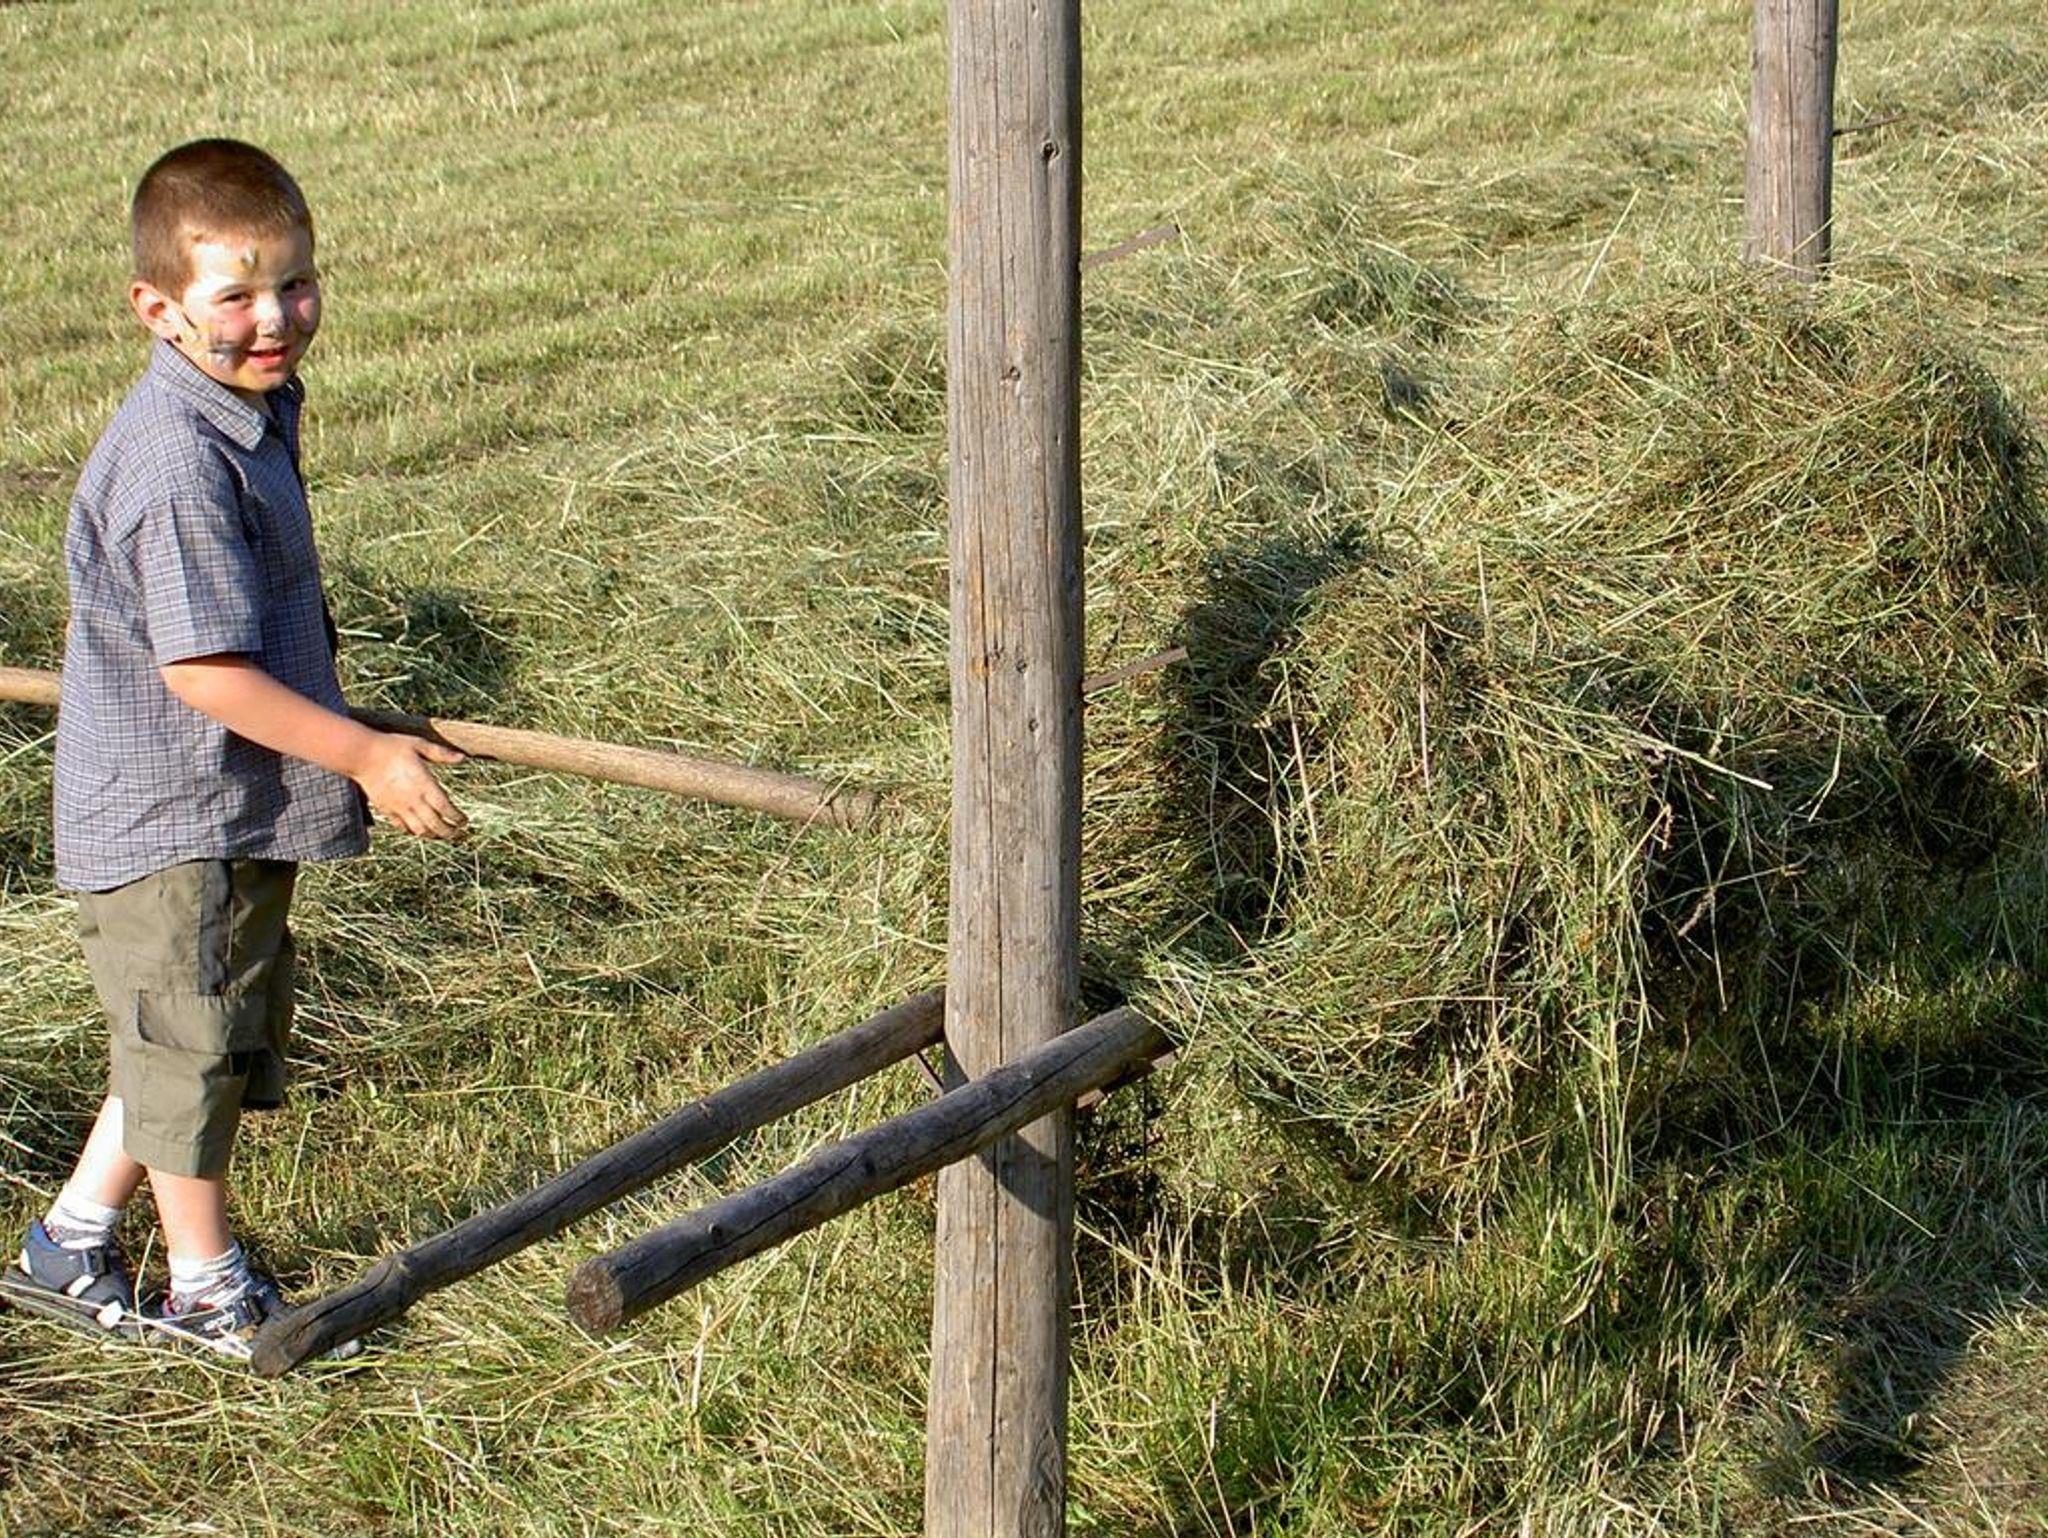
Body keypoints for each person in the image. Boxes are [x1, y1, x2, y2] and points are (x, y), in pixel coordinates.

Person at [4, 138, 468, 1361]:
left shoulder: (244, 409)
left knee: (185, 1027)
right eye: (237, 295)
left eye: (296, 283)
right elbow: (204, 673)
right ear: (157, 309)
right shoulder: (178, 458)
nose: (275, 318)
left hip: (222, 798)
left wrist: (352, 723)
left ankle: (67, 1242)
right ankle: (205, 1287)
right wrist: (361, 755)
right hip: (172, 816)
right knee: (194, 1043)